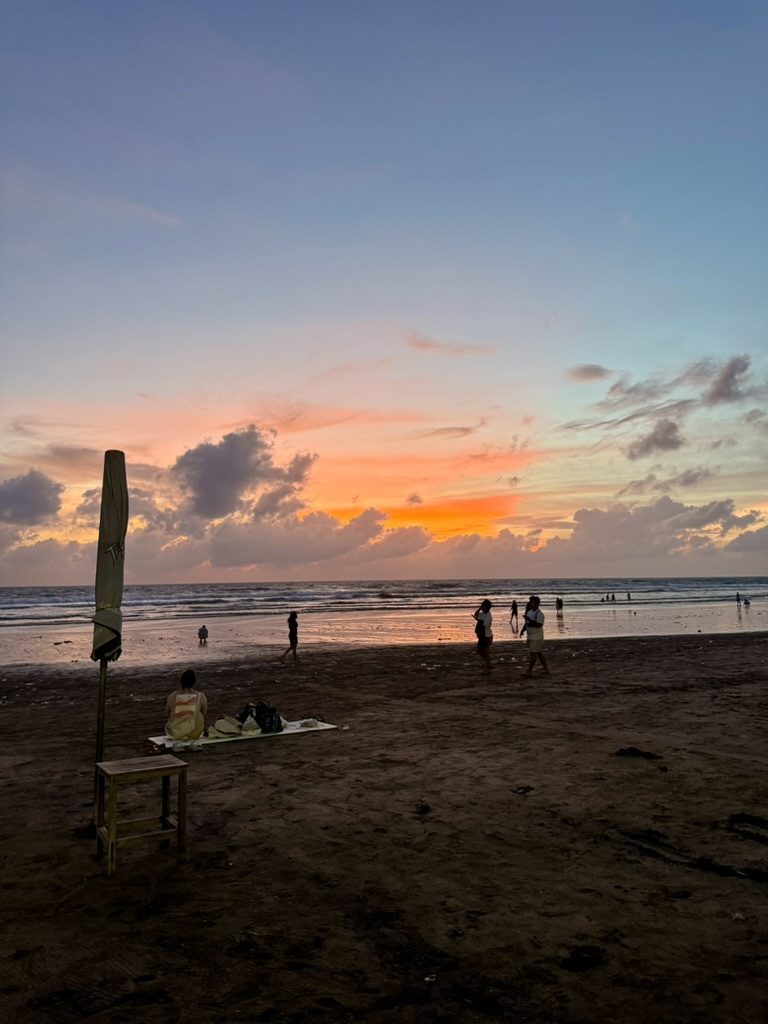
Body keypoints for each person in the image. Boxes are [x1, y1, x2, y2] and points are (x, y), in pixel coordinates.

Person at [165, 669, 208, 741]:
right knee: (199, 714)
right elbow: (204, 713)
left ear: (181, 681)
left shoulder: (172, 696)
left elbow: (167, 713)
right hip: (194, 732)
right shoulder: (201, 696)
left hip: (175, 732)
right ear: (194, 682)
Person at [522, 596, 549, 676]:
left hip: (537, 636)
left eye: (532, 602)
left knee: (533, 654)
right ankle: (546, 669)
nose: (531, 604)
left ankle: (528, 671)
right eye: (530, 602)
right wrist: (523, 630)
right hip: (530, 635)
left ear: (537, 604)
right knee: (538, 653)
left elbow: (539, 624)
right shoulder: (529, 612)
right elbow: (526, 623)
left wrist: (529, 620)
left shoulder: (540, 614)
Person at [473, 599, 493, 674]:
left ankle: (486, 668)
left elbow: (486, 625)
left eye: (483, 606)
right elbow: (476, 614)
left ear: (487, 607)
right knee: (480, 651)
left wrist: (479, 620)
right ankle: (488, 664)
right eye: (482, 606)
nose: (482, 608)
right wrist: (479, 608)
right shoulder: (482, 613)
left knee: (484, 652)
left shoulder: (488, 616)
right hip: (482, 635)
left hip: (486, 636)